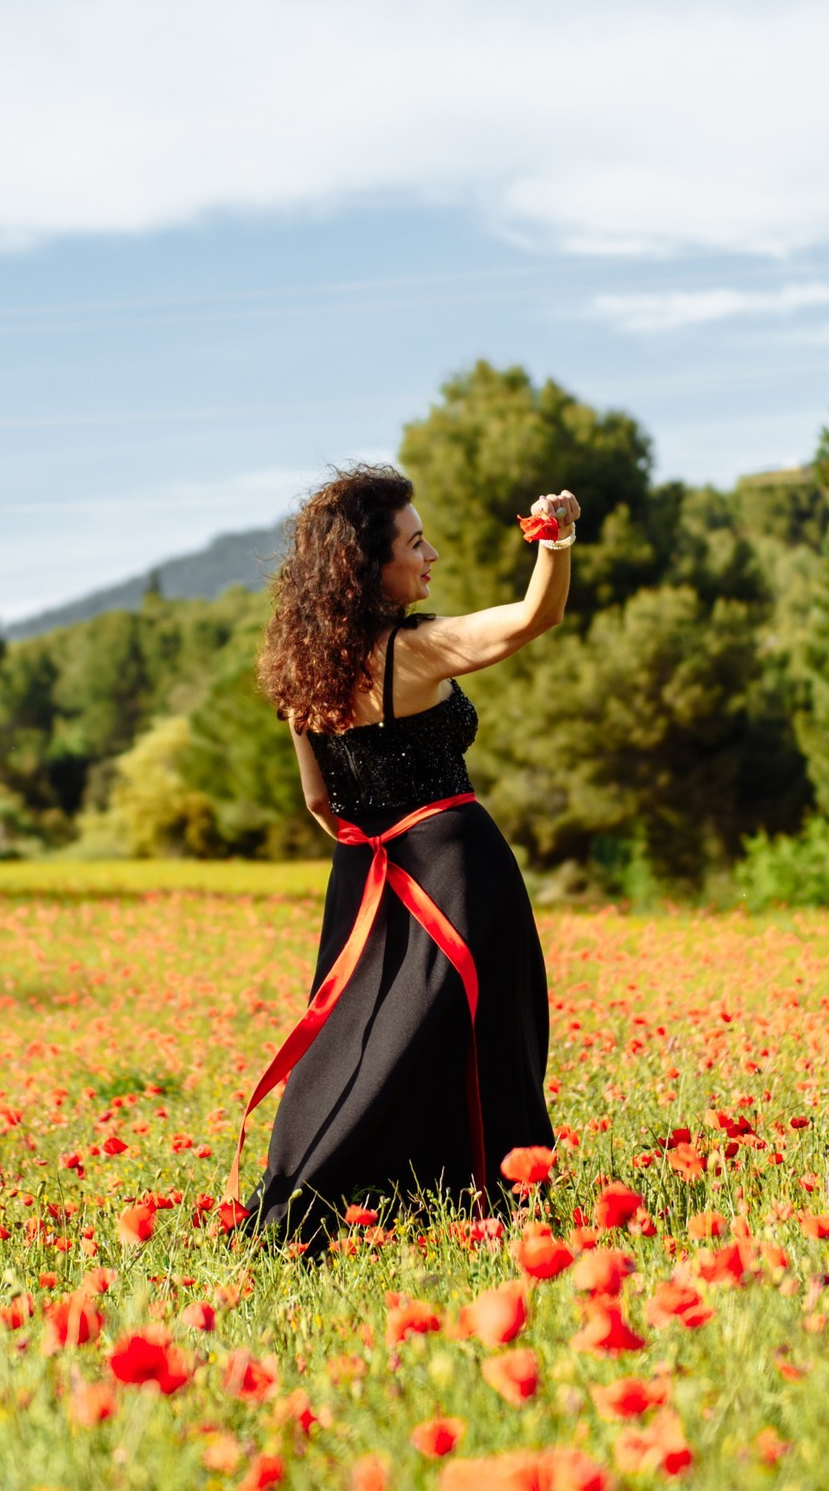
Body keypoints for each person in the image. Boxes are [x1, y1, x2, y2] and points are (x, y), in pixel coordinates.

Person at [235, 464, 578, 1236]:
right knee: (483, 1039)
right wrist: (555, 542)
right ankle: (484, 1199)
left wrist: (373, 849)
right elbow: (531, 618)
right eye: (415, 543)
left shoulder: (304, 669)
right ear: (369, 565)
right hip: (457, 872)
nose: (431, 557)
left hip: (363, 878)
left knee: (359, 1038)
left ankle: (316, 1198)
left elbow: (319, 801)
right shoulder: (412, 652)